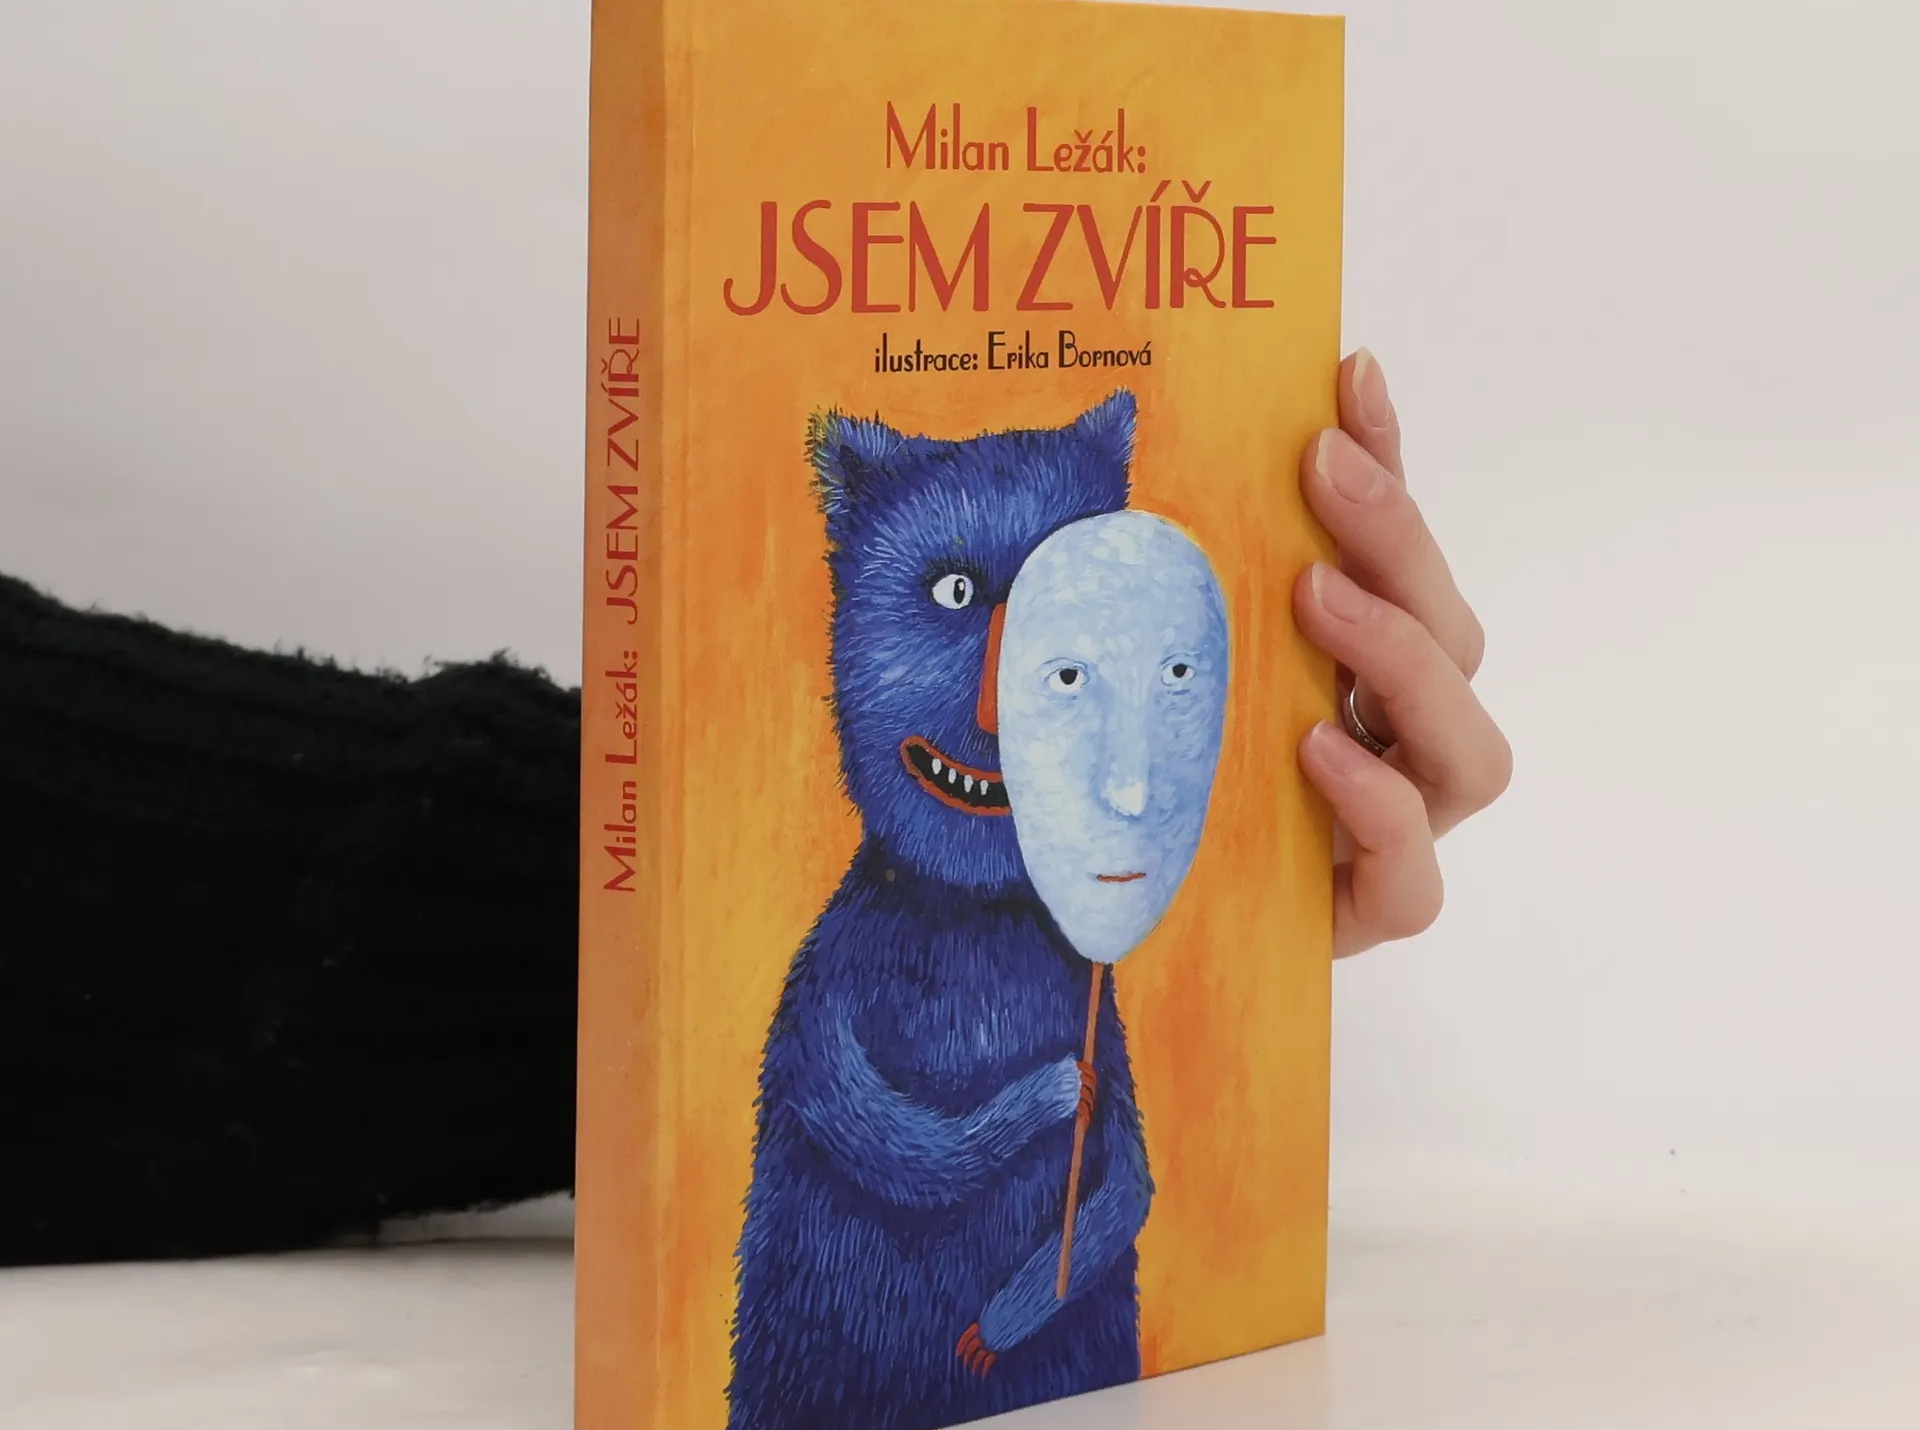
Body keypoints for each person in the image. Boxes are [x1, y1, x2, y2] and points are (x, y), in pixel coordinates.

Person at [0, 349, 1507, 1266]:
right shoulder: (839, 960)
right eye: (957, 603)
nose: (1005, 697)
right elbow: (842, 1104)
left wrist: (1215, 846)